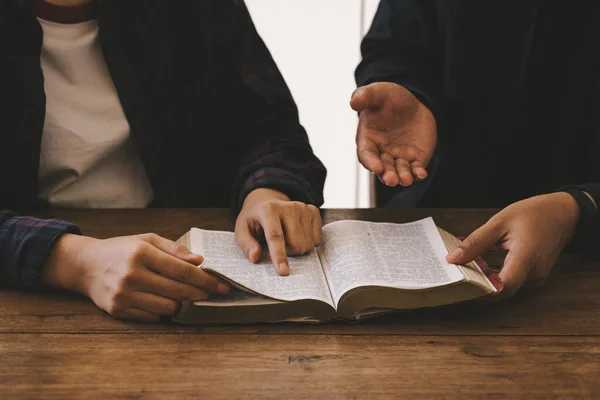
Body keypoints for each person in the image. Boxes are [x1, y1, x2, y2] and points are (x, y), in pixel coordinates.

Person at [0, 0, 326, 321]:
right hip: (29, 300)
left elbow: (271, 130)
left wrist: (266, 194)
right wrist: (76, 262)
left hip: (193, 280)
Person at [351, 0, 599, 297]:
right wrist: (403, 87)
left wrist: (581, 208)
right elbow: (394, 43)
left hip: (582, 265)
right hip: (437, 219)